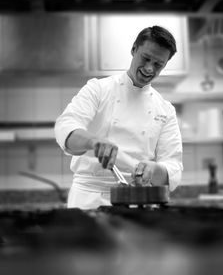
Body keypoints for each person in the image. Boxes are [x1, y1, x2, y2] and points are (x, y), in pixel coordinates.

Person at [54, 25, 183, 209]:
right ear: (133, 49)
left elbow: (174, 167)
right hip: (89, 200)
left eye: (158, 65)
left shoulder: (165, 110)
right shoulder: (98, 89)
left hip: (139, 201)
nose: (149, 68)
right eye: (145, 58)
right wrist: (93, 141)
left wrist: (155, 170)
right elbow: (65, 126)